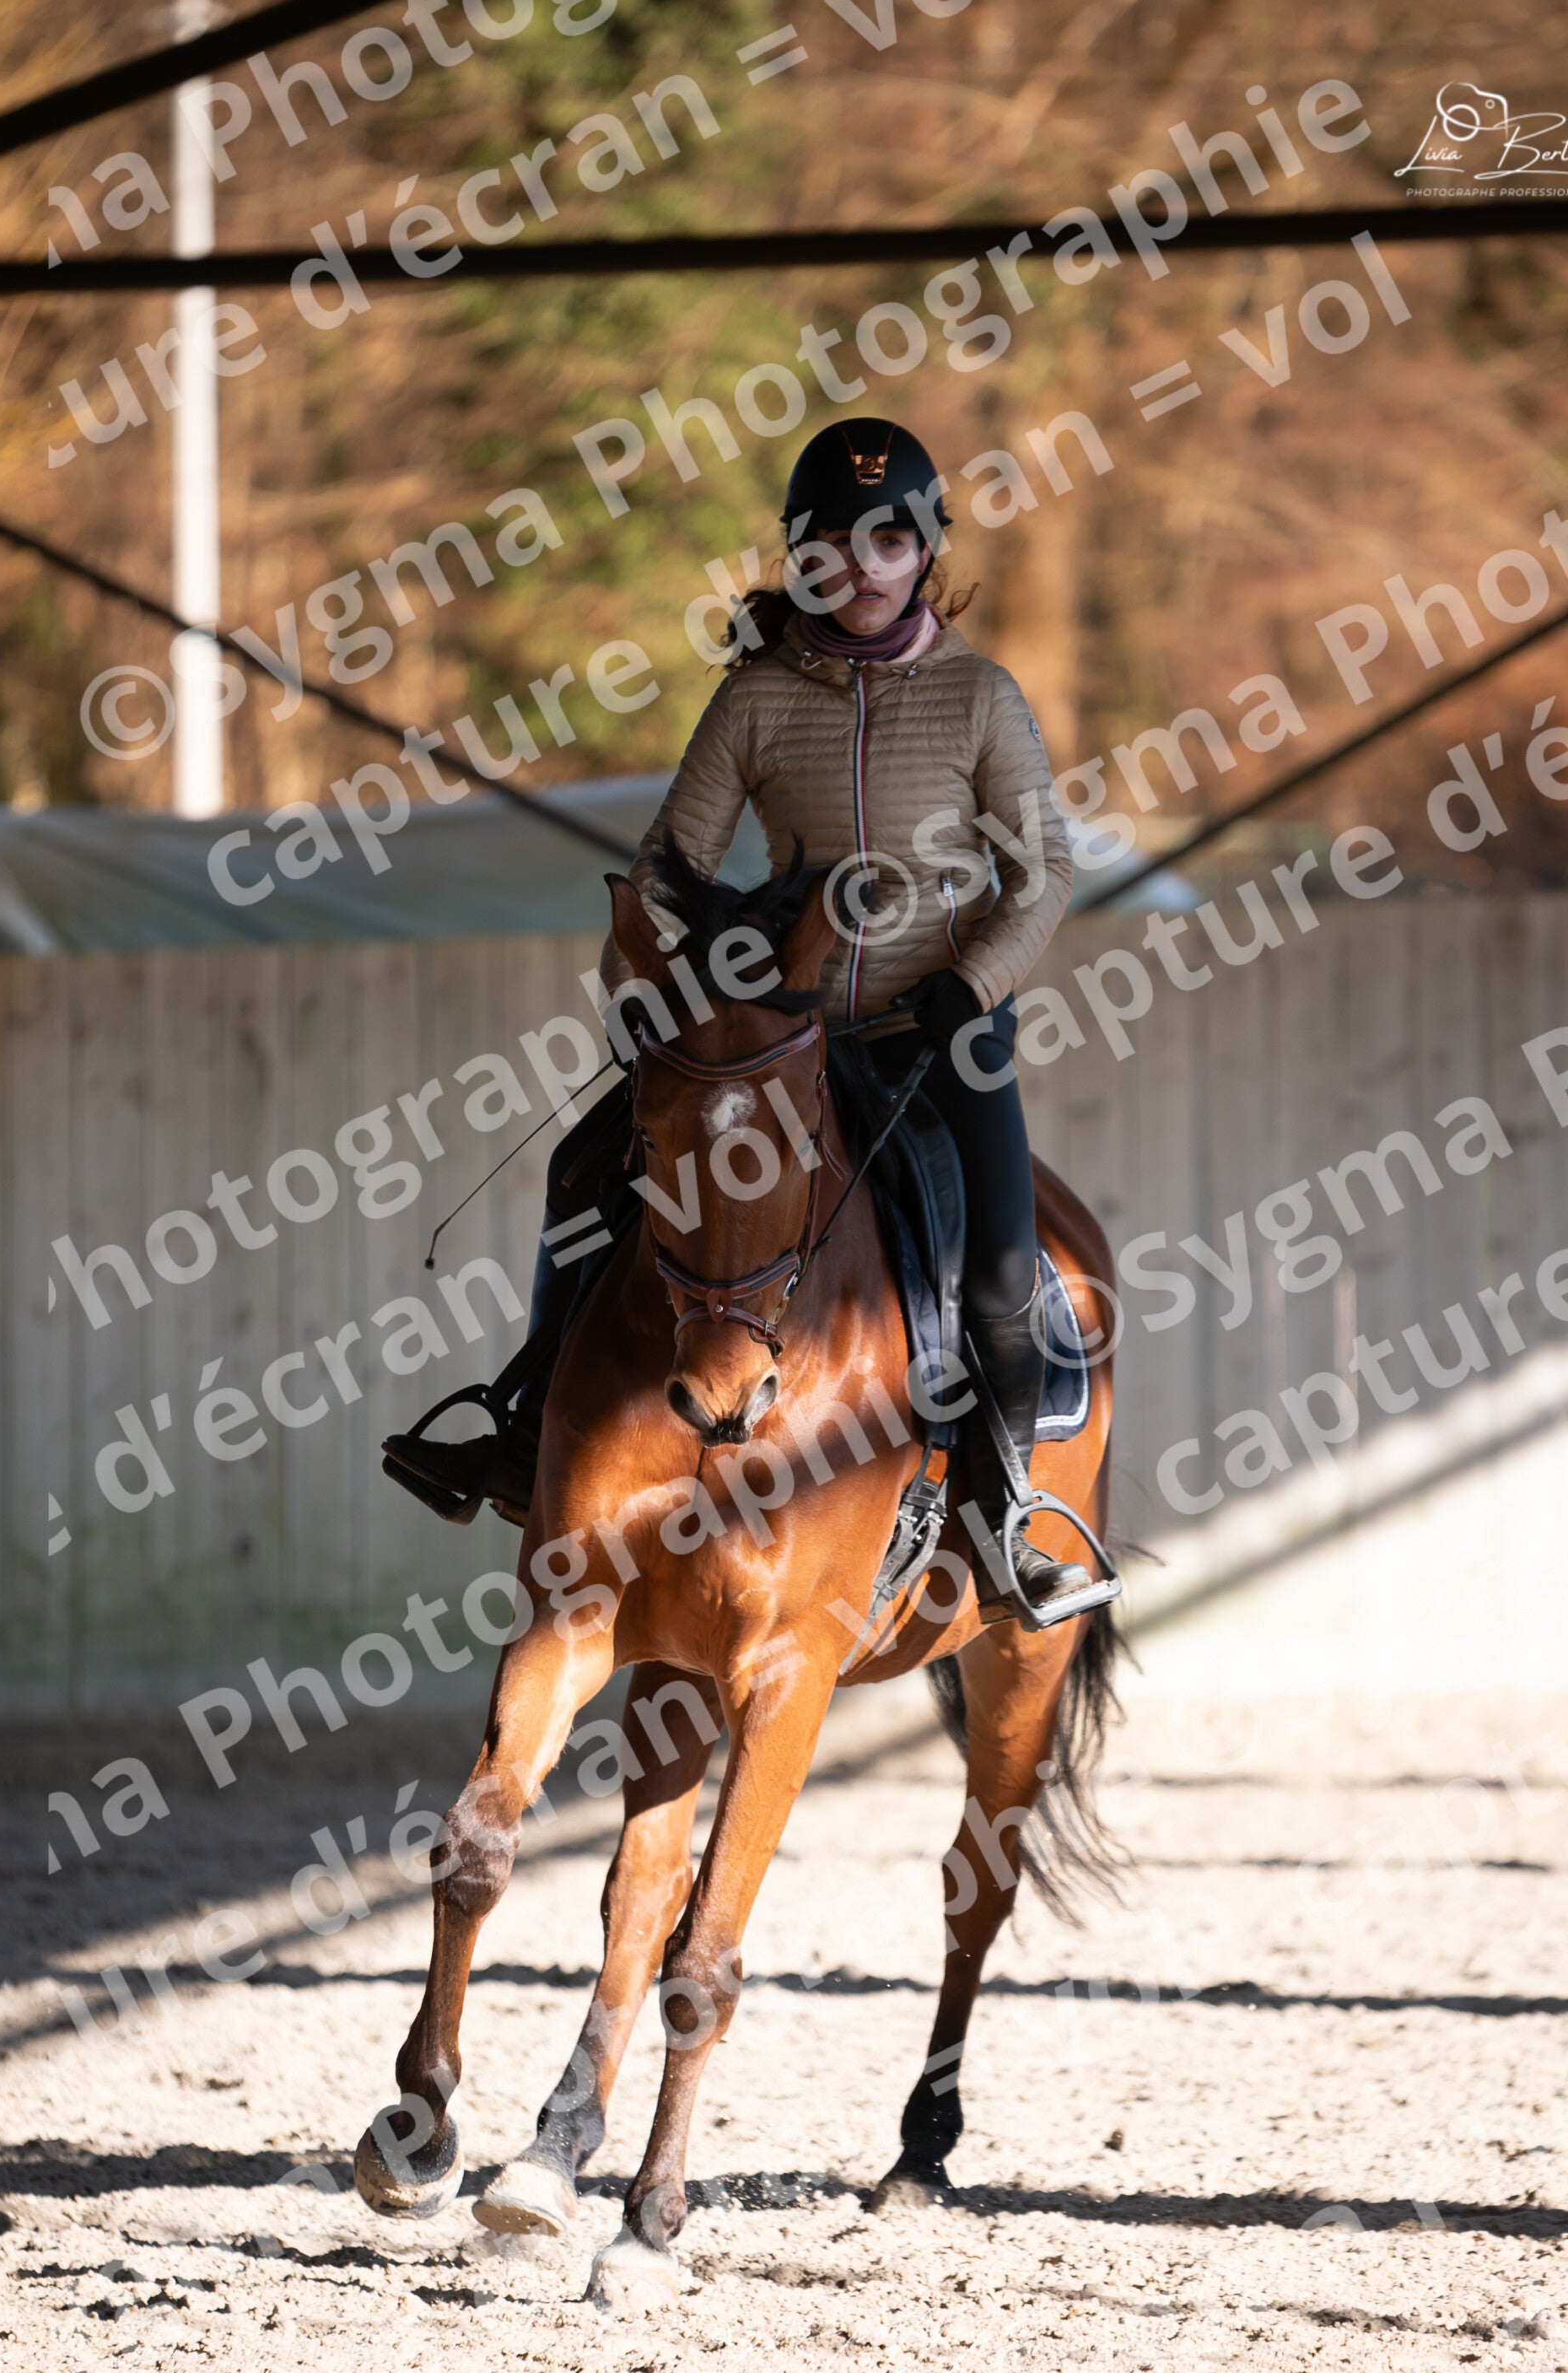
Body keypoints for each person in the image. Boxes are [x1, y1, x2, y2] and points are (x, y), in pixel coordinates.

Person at [385, 417, 1083, 1620]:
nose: (862, 569)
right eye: (834, 547)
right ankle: (527, 1427)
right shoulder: (754, 700)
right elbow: (667, 872)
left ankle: (1006, 1513)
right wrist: (644, 997)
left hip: (940, 1031)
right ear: (801, 558)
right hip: (778, 1041)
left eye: (888, 543)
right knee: (580, 1171)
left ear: (926, 550)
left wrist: (972, 982)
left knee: (1006, 1261)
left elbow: (1044, 870)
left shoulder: (981, 697)